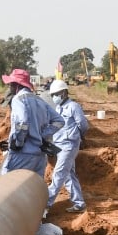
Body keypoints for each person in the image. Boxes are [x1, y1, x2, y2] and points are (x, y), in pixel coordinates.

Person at [0, 68, 64, 178]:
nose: (10, 87)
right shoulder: (39, 100)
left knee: (11, 188)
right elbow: (60, 121)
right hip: (39, 156)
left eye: (10, 84)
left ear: (16, 85)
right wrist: (41, 135)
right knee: (33, 191)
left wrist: (18, 143)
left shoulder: (18, 99)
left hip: (23, 155)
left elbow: (23, 122)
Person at [45, 79, 90, 214]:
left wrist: (79, 137)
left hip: (69, 144)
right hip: (59, 144)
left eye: (56, 94)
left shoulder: (73, 107)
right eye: (53, 95)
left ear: (64, 93)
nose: (54, 97)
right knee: (69, 174)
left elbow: (83, 125)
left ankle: (46, 203)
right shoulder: (58, 108)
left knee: (59, 173)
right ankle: (79, 203)